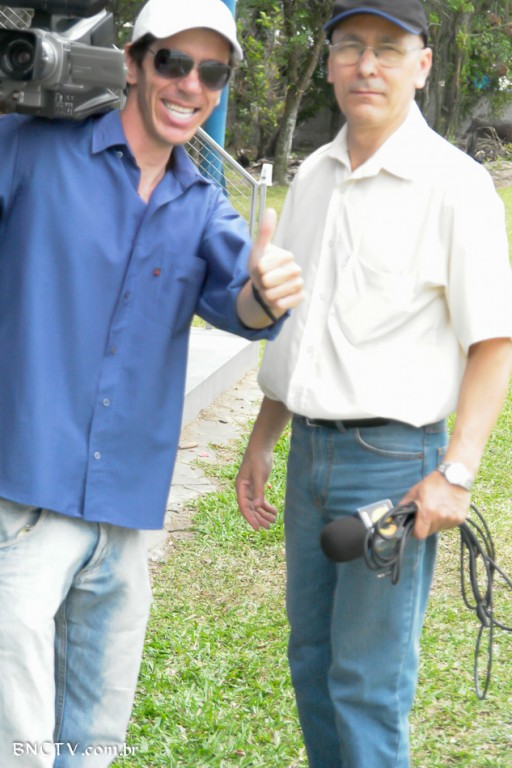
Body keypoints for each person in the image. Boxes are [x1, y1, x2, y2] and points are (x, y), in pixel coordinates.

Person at [0, 0, 304, 765]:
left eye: (212, 73)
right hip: (21, 501)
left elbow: (243, 303)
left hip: (123, 519)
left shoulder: (200, 205)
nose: (190, 85)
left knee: (92, 745)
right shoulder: (32, 149)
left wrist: (266, 292)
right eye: (172, 61)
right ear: (133, 63)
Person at [236, 1, 512, 767]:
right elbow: (301, 324)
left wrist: (456, 473)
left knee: (366, 683)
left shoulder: (456, 186)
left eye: (388, 49)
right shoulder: (314, 177)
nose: (367, 65)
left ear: (422, 66)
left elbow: (494, 343)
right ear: (328, 62)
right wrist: (262, 440)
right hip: (309, 457)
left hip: (391, 466)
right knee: (311, 661)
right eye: (351, 46)